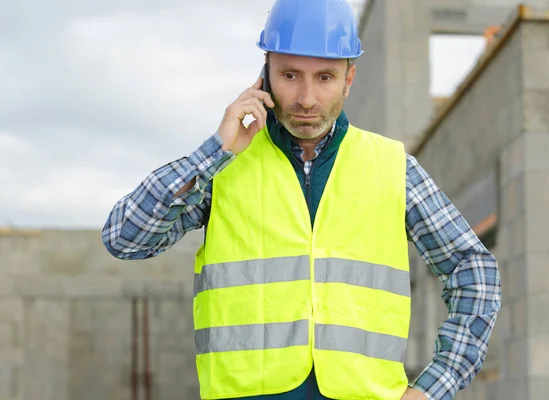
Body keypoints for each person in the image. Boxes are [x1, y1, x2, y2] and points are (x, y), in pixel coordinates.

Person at [102, 0, 501, 399]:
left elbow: (475, 271)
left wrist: (432, 390)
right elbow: (124, 238)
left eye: (325, 77)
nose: (307, 98)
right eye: (290, 75)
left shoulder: (393, 167)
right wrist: (215, 150)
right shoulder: (224, 165)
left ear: (349, 78)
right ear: (265, 74)